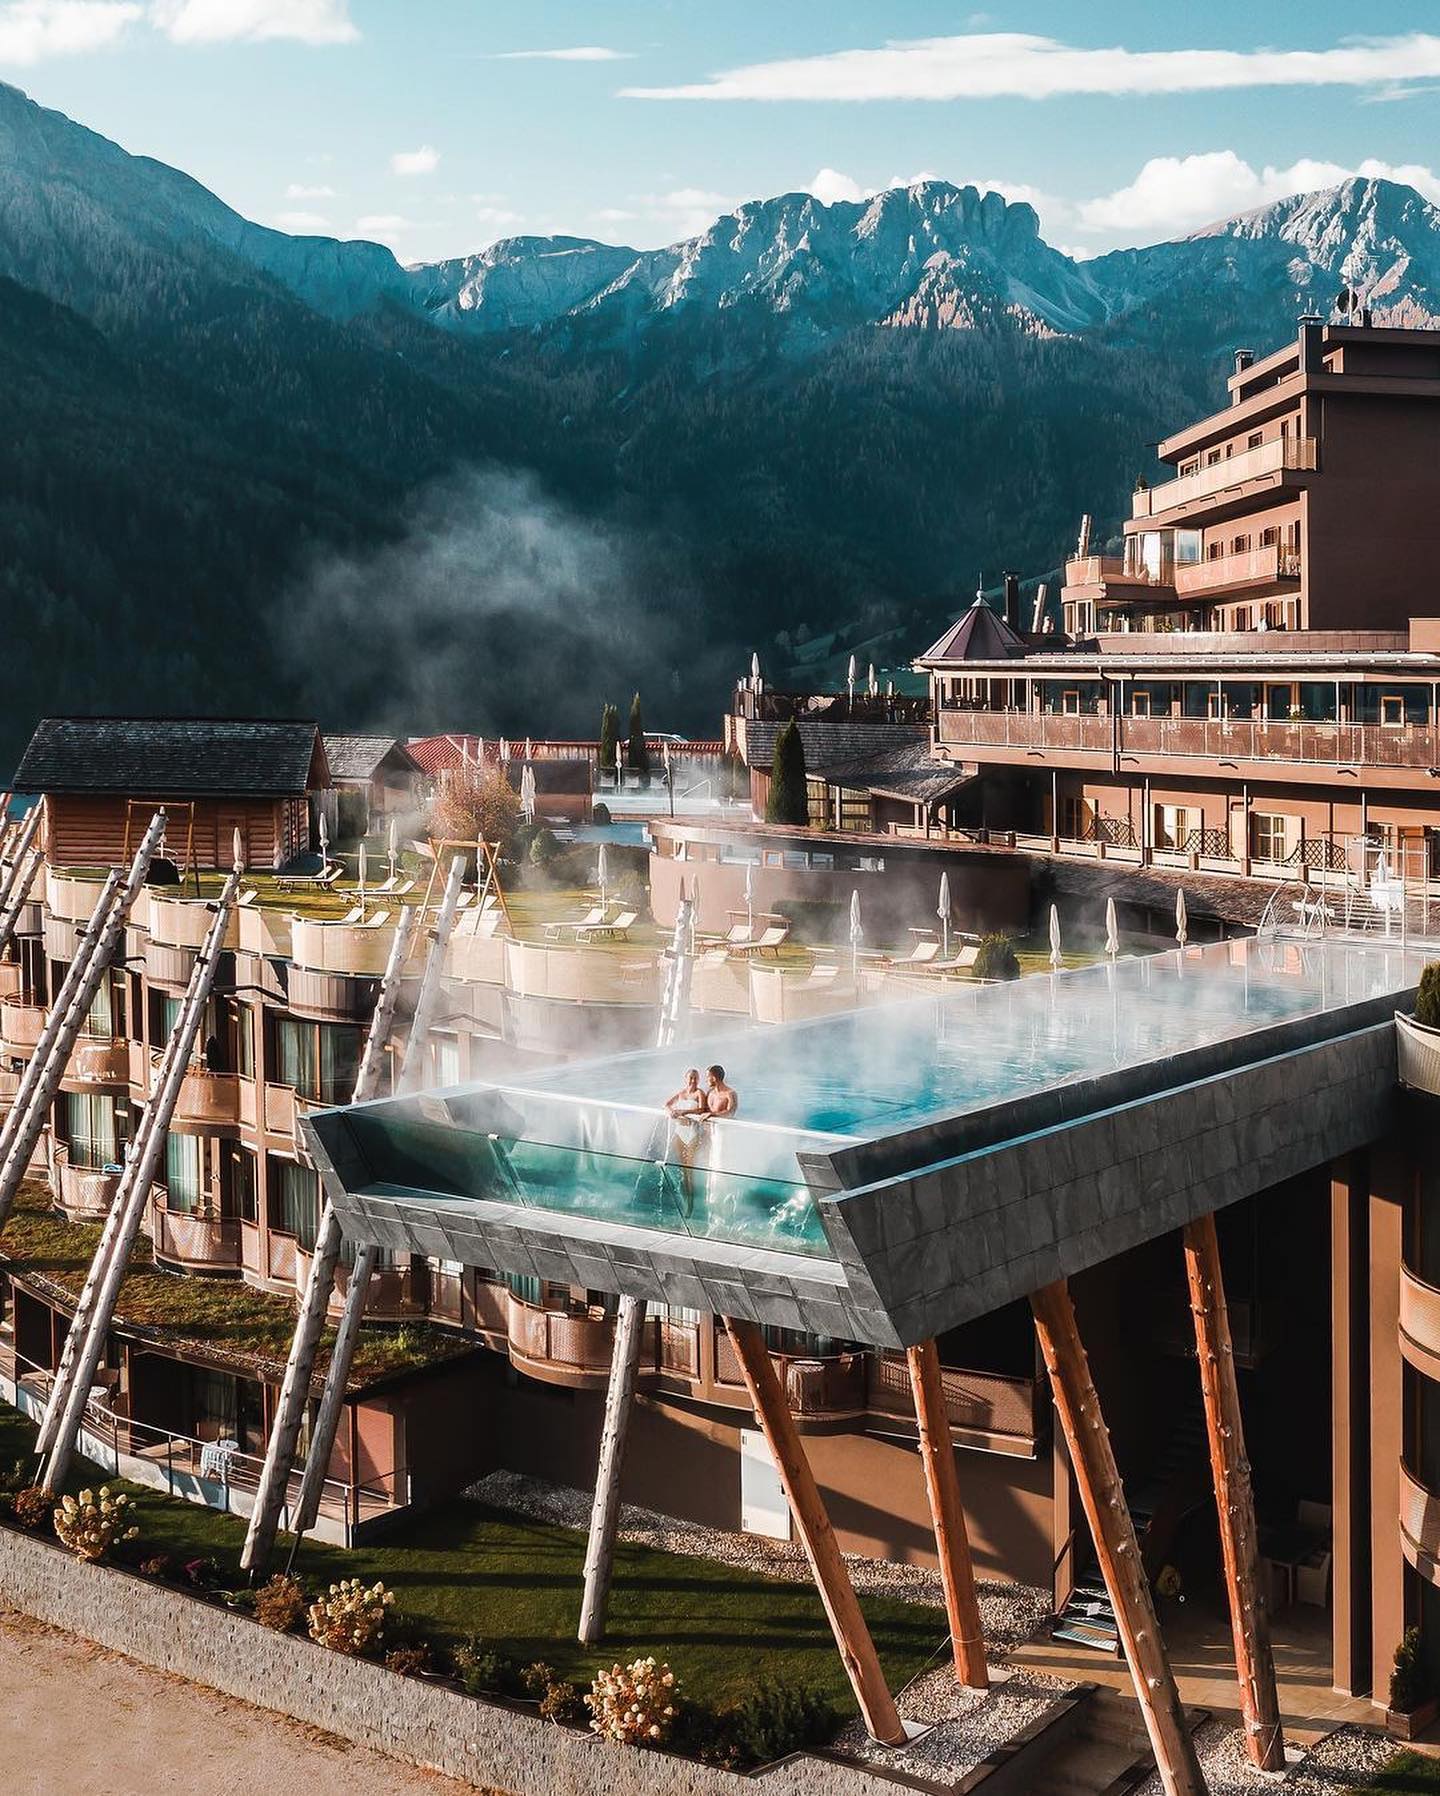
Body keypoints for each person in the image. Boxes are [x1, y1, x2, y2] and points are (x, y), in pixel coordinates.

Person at [664, 1069, 706, 1210]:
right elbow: (667, 1104)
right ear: (686, 1078)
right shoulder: (681, 1093)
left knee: (690, 1169)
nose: (693, 1081)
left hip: (692, 1132)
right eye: (691, 1078)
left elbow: (701, 1109)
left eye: (695, 1078)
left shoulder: (699, 1093)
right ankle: (683, 1200)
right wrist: (670, 1112)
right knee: (682, 1168)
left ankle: (691, 1204)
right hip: (680, 1131)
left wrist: (684, 1112)